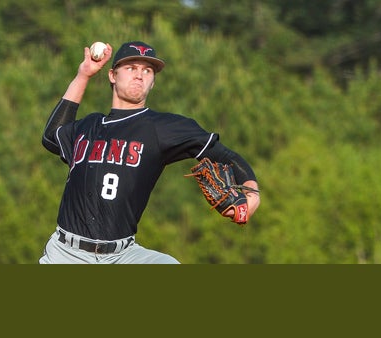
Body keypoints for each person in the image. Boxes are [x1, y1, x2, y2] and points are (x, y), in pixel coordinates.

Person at [39, 40, 260, 264]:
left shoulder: (162, 127)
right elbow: (51, 136)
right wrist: (83, 76)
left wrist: (253, 193)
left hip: (123, 256)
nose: (140, 75)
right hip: (66, 253)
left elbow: (224, 155)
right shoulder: (88, 126)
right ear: (112, 76)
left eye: (147, 70)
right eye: (131, 68)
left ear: (153, 83)